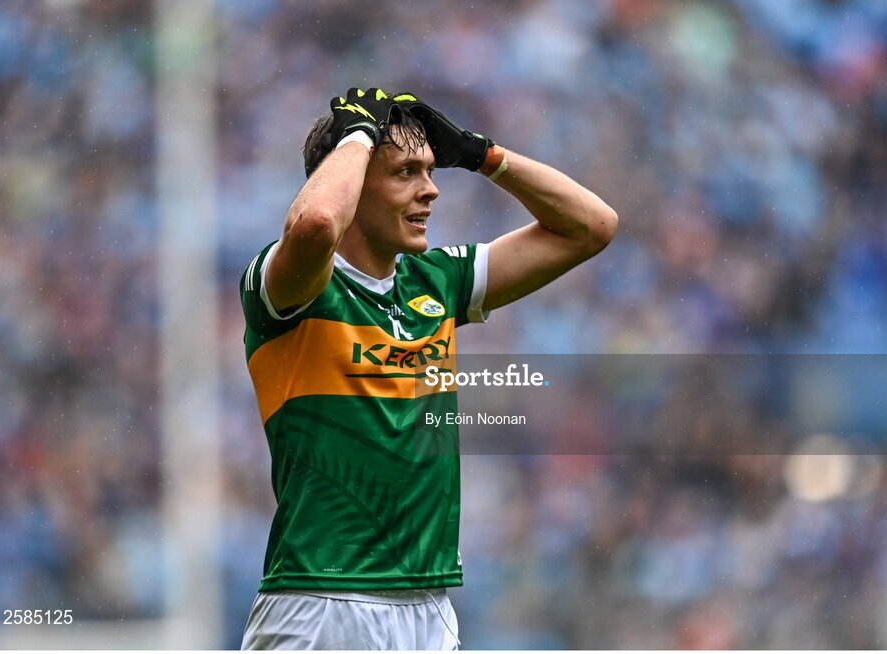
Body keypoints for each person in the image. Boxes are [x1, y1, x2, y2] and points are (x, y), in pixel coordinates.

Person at [239, 87, 617, 650]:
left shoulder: (436, 282)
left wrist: (482, 155)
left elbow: (591, 226)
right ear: (355, 182)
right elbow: (318, 221)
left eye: (432, 170)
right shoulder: (291, 285)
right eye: (406, 173)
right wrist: (358, 136)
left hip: (429, 607)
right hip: (319, 602)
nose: (431, 190)